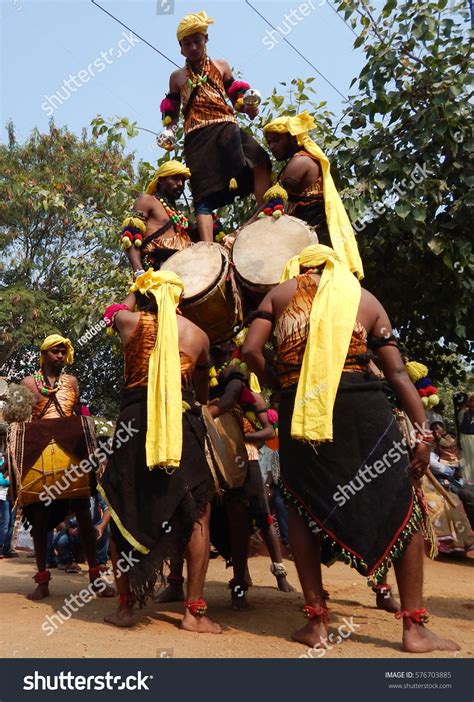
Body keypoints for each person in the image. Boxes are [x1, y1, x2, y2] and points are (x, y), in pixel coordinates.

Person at [242, 244, 459, 652]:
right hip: (363, 408)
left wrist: (281, 385)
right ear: (336, 266)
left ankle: (317, 624)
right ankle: (414, 628)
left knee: (303, 505)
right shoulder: (364, 298)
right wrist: (423, 433)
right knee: (402, 505)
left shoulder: (278, 294)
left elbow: (251, 351)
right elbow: (395, 372)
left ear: (299, 266)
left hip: (299, 408)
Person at [100, 270, 221, 633]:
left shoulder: (127, 320)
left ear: (146, 295)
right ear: (180, 299)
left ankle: (125, 609)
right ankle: (193, 613)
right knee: (198, 511)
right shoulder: (198, 336)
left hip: (135, 421)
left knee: (124, 504)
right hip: (180, 421)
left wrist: (136, 285)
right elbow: (202, 395)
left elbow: (114, 309)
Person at [9, 335, 114, 600]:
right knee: (41, 519)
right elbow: (20, 423)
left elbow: (77, 415)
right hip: (39, 459)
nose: (60, 355)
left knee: (83, 513)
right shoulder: (27, 384)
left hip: (70, 455)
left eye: (63, 351)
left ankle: (95, 577)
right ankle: (43, 580)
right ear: (44, 354)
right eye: (55, 351)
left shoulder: (72, 382)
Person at [162, 10, 272, 242]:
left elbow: (237, 96)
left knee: (260, 161)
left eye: (197, 41)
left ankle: (266, 216)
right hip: (196, 136)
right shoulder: (177, 77)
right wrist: (169, 131)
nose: (193, 47)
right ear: (181, 48)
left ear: (206, 41)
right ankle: (208, 249)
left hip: (226, 127)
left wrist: (248, 107)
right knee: (202, 194)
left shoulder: (221, 66)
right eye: (187, 43)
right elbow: (171, 110)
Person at [263, 111, 363, 279]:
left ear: (293, 137)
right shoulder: (300, 160)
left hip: (317, 243)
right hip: (308, 240)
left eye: (276, 140)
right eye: (269, 143)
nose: (272, 146)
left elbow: (274, 200)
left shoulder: (301, 161)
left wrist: (238, 233)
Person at [120, 160, 194, 275]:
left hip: (184, 271)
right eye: (175, 178)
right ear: (161, 180)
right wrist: (139, 273)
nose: (180, 183)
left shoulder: (180, 217)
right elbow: (131, 238)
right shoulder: (147, 201)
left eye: (183, 180)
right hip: (156, 270)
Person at [456, 395, 474, 483]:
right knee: (466, 458)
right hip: (466, 438)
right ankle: (468, 479)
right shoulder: (463, 413)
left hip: (471, 438)